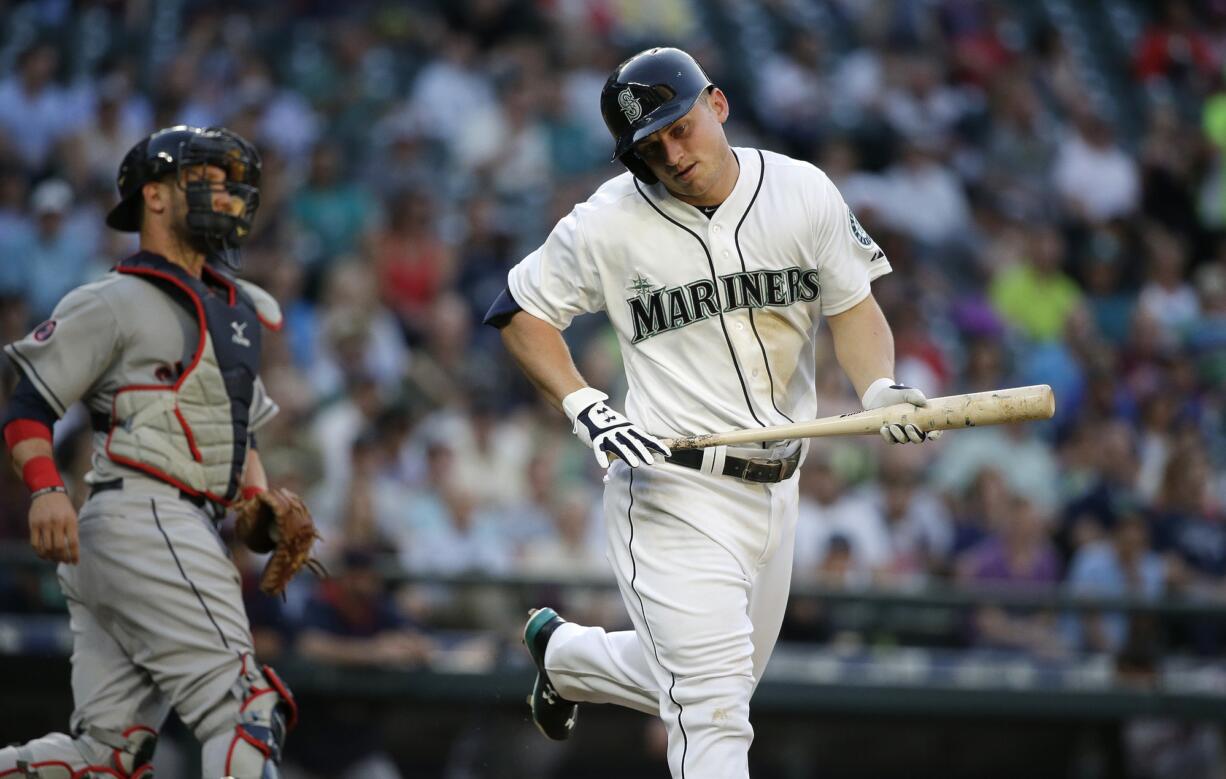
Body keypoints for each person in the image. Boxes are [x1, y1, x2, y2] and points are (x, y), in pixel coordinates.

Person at [485, 47, 941, 779]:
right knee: (713, 711)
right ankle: (575, 660)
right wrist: (583, 402)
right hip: (672, 487)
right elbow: (518, 309)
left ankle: (566, 657)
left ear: (717, 105)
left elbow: (854, 306)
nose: (672, 152)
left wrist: (880, 386)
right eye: (650, 146)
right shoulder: (610, 221)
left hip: (778, 487)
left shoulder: (801, 192)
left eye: (680, 126)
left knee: (711, 684)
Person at [0, 126, 306, 778]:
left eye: (230, 183)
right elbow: (28, 404)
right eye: (207, 180)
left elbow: (238, 434)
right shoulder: (113, 297)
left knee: (106, 757)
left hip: (160, 530)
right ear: (155, 197)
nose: (226, 196)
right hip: (148, 518)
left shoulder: (238, 311)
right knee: (246, 708)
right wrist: (47, 487)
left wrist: (259, 510)